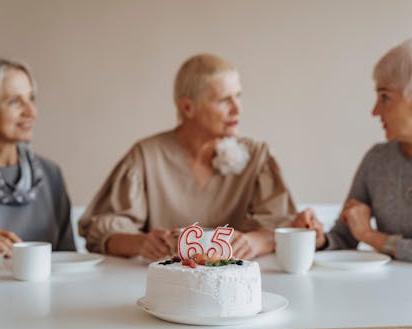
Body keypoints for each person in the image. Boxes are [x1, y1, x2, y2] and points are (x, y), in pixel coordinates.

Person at [79, 54, 296, 260]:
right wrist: (140, 243)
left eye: (238, 96)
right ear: (187, 107)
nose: (237, 108)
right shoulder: (146, 156)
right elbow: (101, 231)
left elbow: (285, 227)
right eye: (223, 100)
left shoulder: (257, 155)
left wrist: (256, 242)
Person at [294, 35, 412, 277]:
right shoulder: (377, 160)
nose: (375, 111)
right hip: (386, 299)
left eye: (385, 97)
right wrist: (319, 239)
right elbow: (344, 237)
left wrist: (371, 237)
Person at [0, 56, 75, 257]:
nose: (31, 111)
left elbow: (68, 258)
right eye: (14, 101)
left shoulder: (51, 174)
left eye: (31, 99)